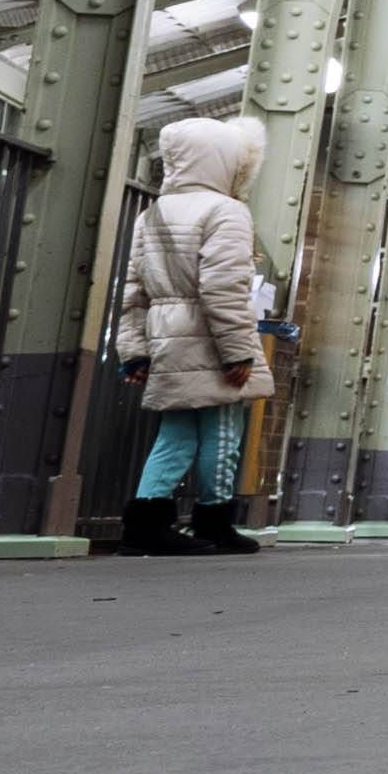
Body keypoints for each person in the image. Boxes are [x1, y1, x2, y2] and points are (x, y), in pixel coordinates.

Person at [109, 113, 267, 557]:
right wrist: (238, 351)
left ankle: (143, 524)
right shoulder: (227, 211)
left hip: (165, 336)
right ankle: (215, 522)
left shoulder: (152, 214)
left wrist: (134, 352)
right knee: (222, 429)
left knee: (175, 432)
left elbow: (133, 289)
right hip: (209, 337)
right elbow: (223, 287)